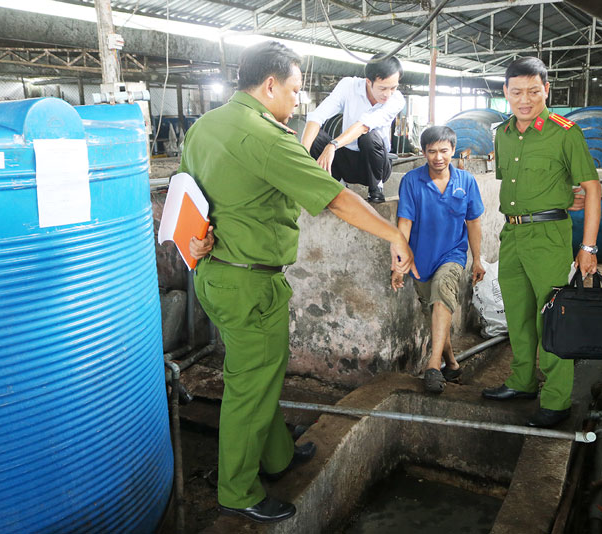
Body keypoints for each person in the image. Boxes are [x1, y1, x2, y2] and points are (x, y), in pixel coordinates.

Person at [180, 41, 418, 524]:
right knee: (249, 385)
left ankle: (276, 458)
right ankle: (238, 489)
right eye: (293, 89)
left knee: (262, 370)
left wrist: (195, 243)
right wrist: (394, 232)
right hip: (250, 282)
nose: (297, 100)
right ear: (269, 85)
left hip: (216, 274)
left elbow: (187, 195)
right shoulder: (268, 135)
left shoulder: (204, 126)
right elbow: (335, 199)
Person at [480, 56, 602, 429]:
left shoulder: (565, 132)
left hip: (549, 236)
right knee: (517, 314)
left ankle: (556, 400)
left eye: (534, 91)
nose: (525, 99)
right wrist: (561, 193)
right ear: (505, 93)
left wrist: (588, 246)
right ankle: (522, 382)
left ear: (546, 90)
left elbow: (593, 188)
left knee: (550, 317)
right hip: (512, 233)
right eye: (516, 92)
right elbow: (520, 186)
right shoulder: (501, 133)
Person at [391, 125, 485, 394]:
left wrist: (477, 259)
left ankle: (433, 367)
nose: (438, 157)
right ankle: (452, 364)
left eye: (444, 151)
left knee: (443, 291)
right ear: (423, 152)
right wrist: (398, 263)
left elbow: (474, 223)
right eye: (431, 151)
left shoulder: (466, 182)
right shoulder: (411, 181)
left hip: (452, 254)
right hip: (419, 261)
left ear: (453, 151)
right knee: (434, 312)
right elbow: (404, 223)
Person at [300, 53, 405, 204]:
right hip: (347, 160)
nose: (388, 94)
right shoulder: (348, 86)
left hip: (376, 164)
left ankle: (376, 188)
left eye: (393, 88)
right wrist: (302, 156)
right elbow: (317, 116)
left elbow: (363, 126)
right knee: (315, 136)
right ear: (369, 81)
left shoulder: (396, 100)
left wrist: (333, 145)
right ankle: (337, 185)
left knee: (368, 135)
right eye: (383, 88)